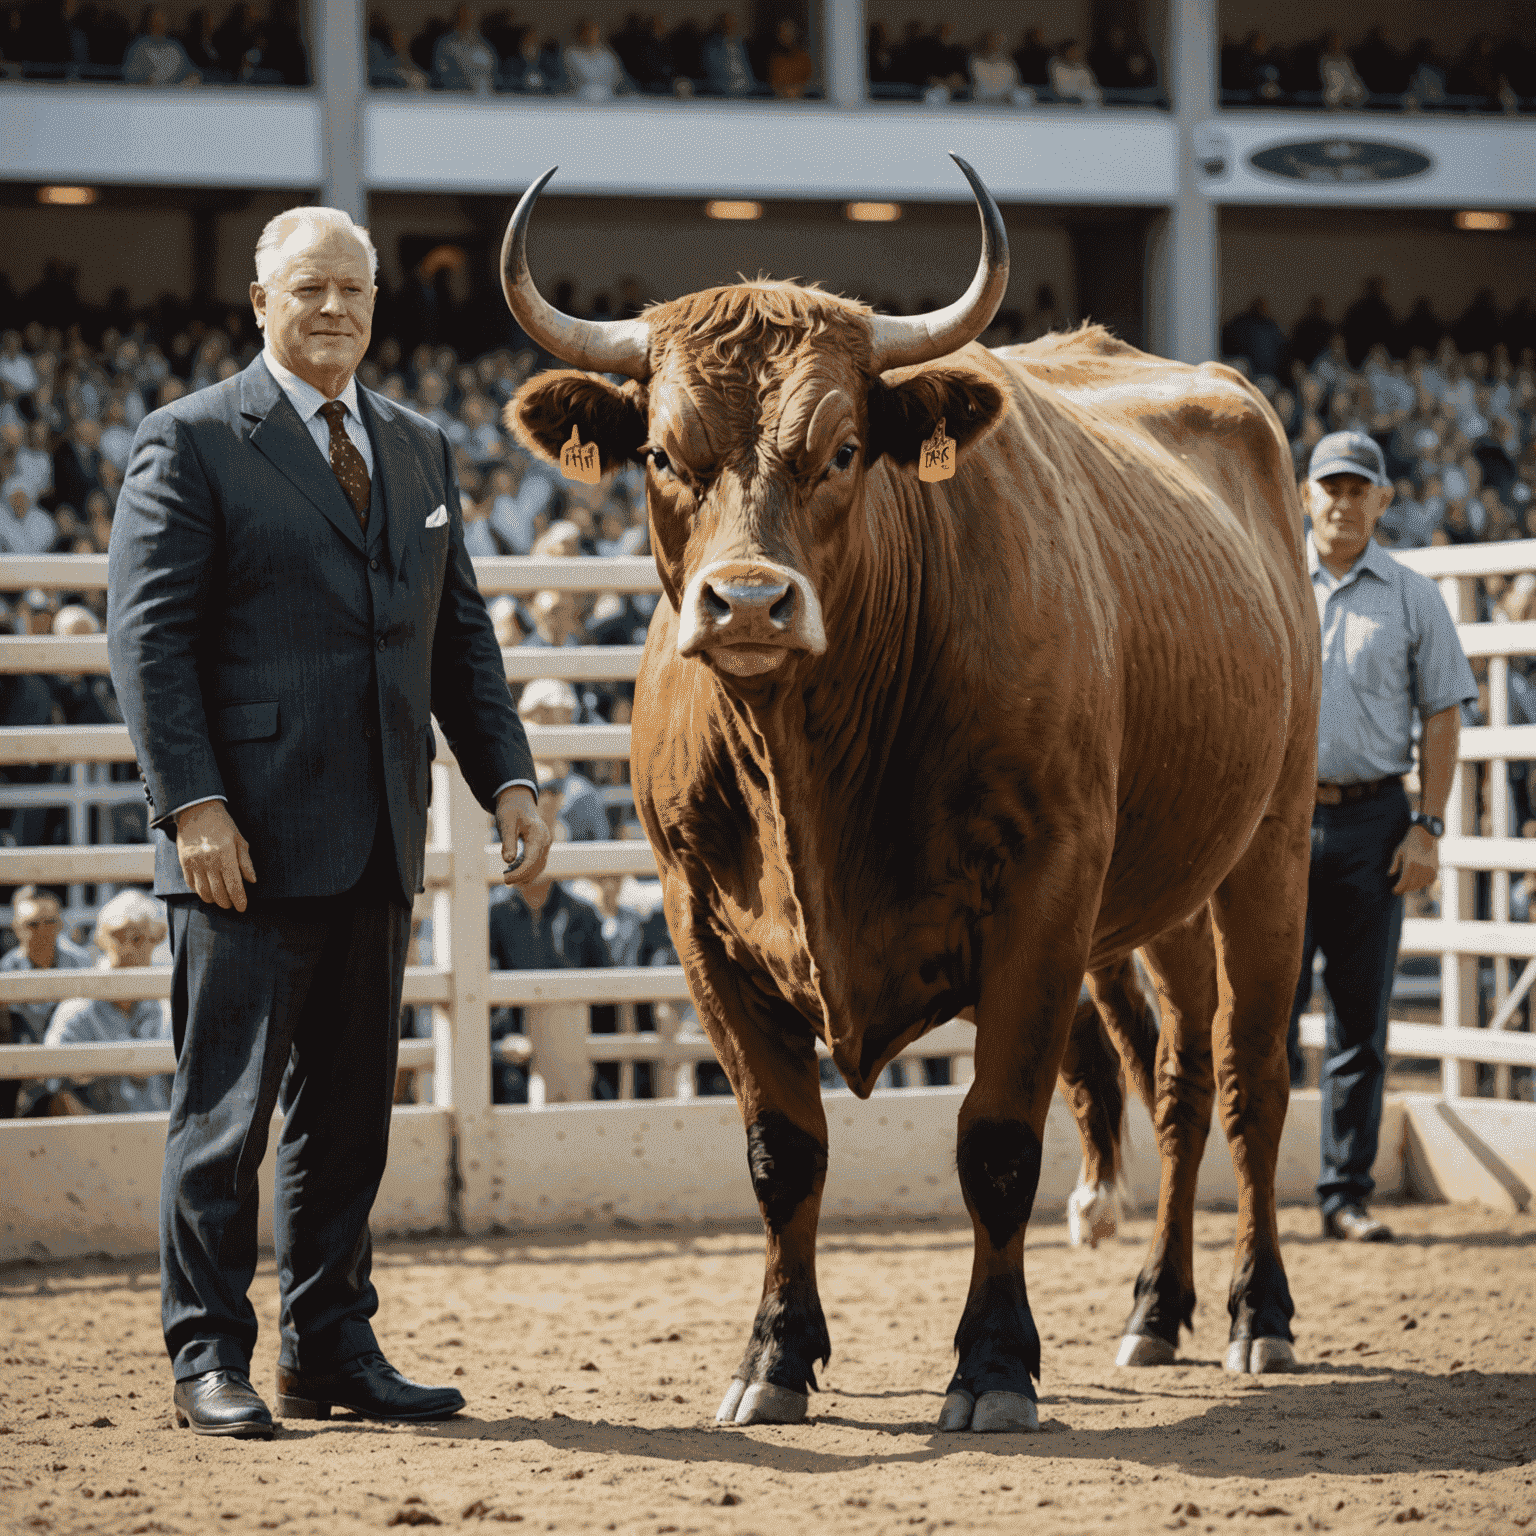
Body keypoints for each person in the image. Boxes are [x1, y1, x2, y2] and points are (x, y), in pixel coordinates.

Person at [107, 205, 551, 1440]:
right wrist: (191, 804)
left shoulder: (419, 447)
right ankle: (208, 1355)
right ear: (259, 302)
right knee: (223, 1121)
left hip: (375, 837)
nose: (336, 309)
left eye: (354, 289)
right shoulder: (189, 441)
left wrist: (505, 775)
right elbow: (147, 644)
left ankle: (330, 1350)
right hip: (238, 841)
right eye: (309, 289)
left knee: (348, 1121)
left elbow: (458, 635)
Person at [1286, 431, 1476, 1244]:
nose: (1342, 500)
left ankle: (1344, 1191)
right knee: (1263, 1016)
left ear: (1383, 500)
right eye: (1330, 485)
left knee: (1360, 1021)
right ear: (1305, 495)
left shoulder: (1411, 596)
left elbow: (1443, 710)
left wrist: (1428, 826)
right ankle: (1251, 1185)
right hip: (1278, 821)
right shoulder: (1271, 580)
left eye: (1358, 487)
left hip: (1373, 821)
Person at [43, 890, 174, 1115]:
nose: (128, 949)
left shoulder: (166, 1007)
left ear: (157, 939)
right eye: (118, 936)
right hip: (97, 1139)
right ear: (102, 939)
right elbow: (53, 1089)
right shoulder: (78, 1009)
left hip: (159, 1133)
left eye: (139, 938)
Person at [0, 886, 94, 1118]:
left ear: (60, 925)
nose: (42, 932)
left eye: (50, 923)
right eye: (32, 924)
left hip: (74, 1070)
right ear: (17, 929)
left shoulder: (80, 963)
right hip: (26, 1075)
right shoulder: (7, 969)